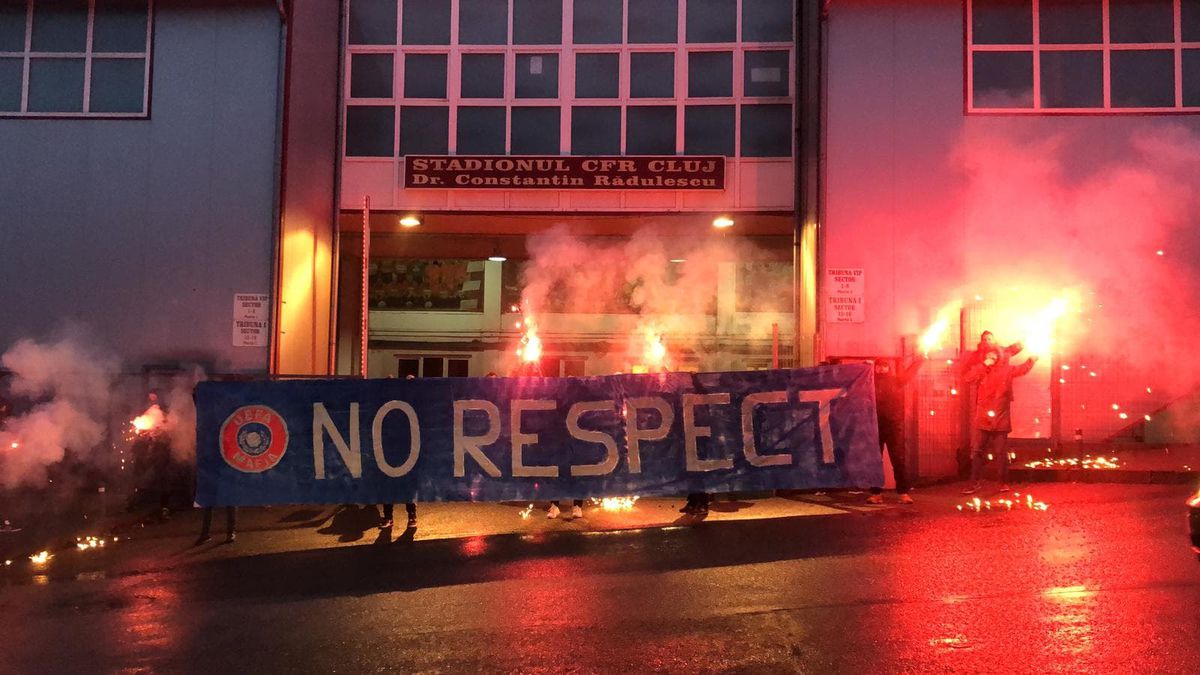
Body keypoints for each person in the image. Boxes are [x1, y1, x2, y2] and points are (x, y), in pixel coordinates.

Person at [962, 348, 1037, 494]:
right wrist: (984, 365)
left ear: (1000, 356)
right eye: (989, 354)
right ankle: (974, 483)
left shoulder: (1007, 370)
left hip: (1000, 418)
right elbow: (968, 378)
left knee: (1000, 453)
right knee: (977, 452)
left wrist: (1030, 360)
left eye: (994, 354)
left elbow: (1021, 370)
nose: (992, 356)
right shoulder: (982, 369)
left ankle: (1003, 483)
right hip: (983, 418)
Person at [866, 355, 925, 504]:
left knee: (898, 459)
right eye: (879, 366)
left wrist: (920, 359)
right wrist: (865, 366)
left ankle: (903, 492)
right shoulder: (869, 381)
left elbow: (910, 373)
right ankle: (876, 493)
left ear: (888, 367)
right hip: (876, 425)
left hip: (893, 425)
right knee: (875, 461)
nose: (881, 368)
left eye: (884, 365)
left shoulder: (896, 380)